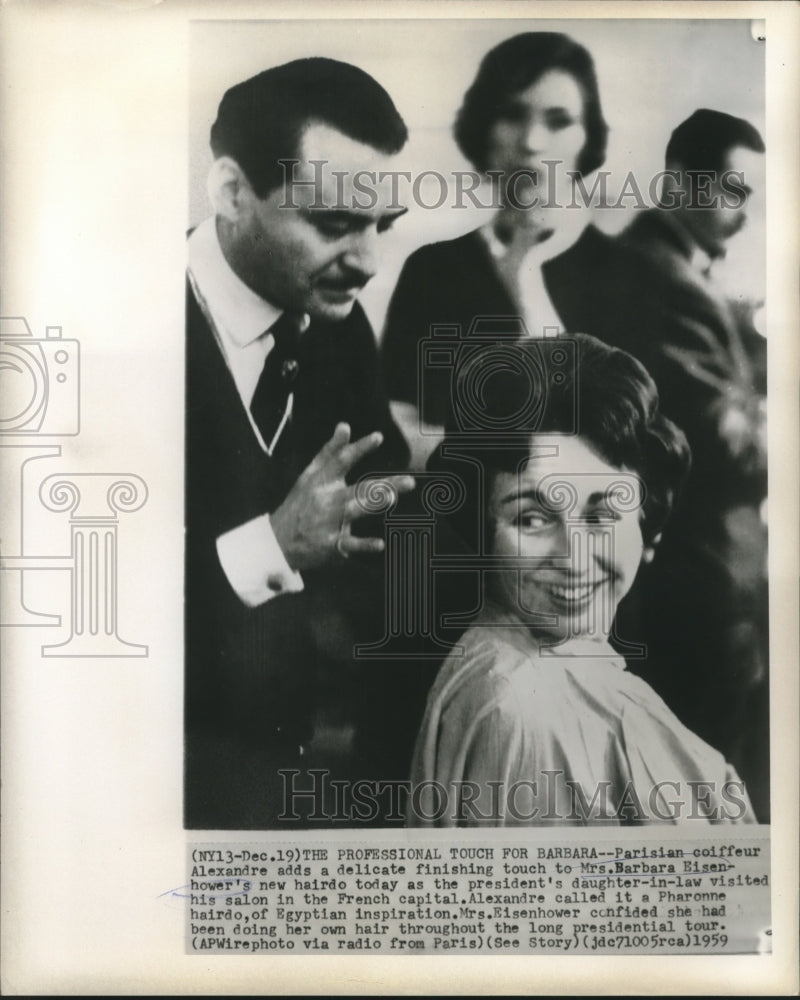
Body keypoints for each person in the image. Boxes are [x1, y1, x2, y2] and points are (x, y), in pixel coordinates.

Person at [185, 58, 415, 829]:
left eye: (381, 224)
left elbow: (378, 501)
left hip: (293, 755)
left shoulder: (340, 329)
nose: (369, 262)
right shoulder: (113, 329)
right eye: (333, 223)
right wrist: (275, 546)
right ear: (229, 191)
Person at [407, 335, 756, 827]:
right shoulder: (521, 709)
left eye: (603, 513)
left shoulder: (571, 666)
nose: (573, 558)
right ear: (482, 533)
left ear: (648, 528)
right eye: (531, 518)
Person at [608, 109, 769, 819]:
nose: (743, 212)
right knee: (703, 788)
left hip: (699, 575)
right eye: (732, 189)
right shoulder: (657, 276)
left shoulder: (674, 272)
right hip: (698, 583)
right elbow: (725, 445)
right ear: (678, 183)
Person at [380, 31, 623, 467]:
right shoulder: (433, 270)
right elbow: (398, 417)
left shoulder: (629, 273)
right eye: (512, 114)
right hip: (455, 518)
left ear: (587, 139)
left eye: (558, 120)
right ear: (482, 128)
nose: (531, 142)